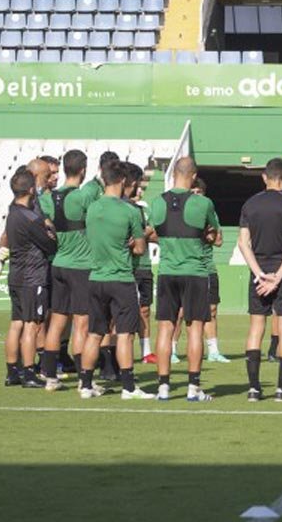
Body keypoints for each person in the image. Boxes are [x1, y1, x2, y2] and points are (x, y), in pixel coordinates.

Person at [148, 157, 221, 402]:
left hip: (168, 271)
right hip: (195, 272)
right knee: (195, 329)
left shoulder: (157, 202)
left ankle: (163, 387)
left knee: (165, 328)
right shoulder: (203, 203)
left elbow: (151, 233)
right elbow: (216, 236)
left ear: (173, 175)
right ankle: (193, 388)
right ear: (193, 176)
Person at [80, 161, 152, 399]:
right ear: (122, 181)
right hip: (121, 278)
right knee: (124, 334)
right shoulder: (130, 211)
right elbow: (140, 249)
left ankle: (86, 385)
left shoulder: (92, 208)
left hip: (96, 276)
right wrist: (133, 243)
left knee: (95, 333)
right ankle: (129, 387)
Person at [237, 158, 282, 402]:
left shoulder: (250, 204)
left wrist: (259, 274)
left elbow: (243, 244)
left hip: (260, 273)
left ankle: (254, 388)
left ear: (264, 177)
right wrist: (277, 278)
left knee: (256, 328)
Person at [38, 150, 101, 389]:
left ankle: (50, 376)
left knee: (56, 322)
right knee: (82, 324)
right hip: (81, 267)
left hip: (59, 264)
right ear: (83, 169)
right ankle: (85, 381)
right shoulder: (84, 197)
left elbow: (45, 224)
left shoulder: (47, 199)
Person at [4, 169, 57, 388]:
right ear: (31, 190)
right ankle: (28, 372)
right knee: (32, 325)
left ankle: (11, 372)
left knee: (16, 323)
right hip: (32, 277)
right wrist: (51, 231)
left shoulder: (12, 212)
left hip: (16, 274)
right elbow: (51, 245)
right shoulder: (31, 218)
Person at [192, 178, 231, 363]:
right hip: (190, 268)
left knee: (212, 310)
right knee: (183, 312)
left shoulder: (210, 213)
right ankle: (174, 349)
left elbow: (219, 241)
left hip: (208, 267)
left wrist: (208, 236)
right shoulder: (185, 214)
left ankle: (213, 350)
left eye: (199, 192)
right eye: (193, 192)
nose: (196, 196)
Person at [121, 163, 157, 365]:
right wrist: (143, 235)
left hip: (144, 267)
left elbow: (153, 233)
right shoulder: (122, 209)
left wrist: (141, 235)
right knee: (124, 312)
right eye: (139, 186)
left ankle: (146, 352)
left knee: (144, 310)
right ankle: (117, 352)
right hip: (128, 267)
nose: (140, 190)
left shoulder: (145, 210)